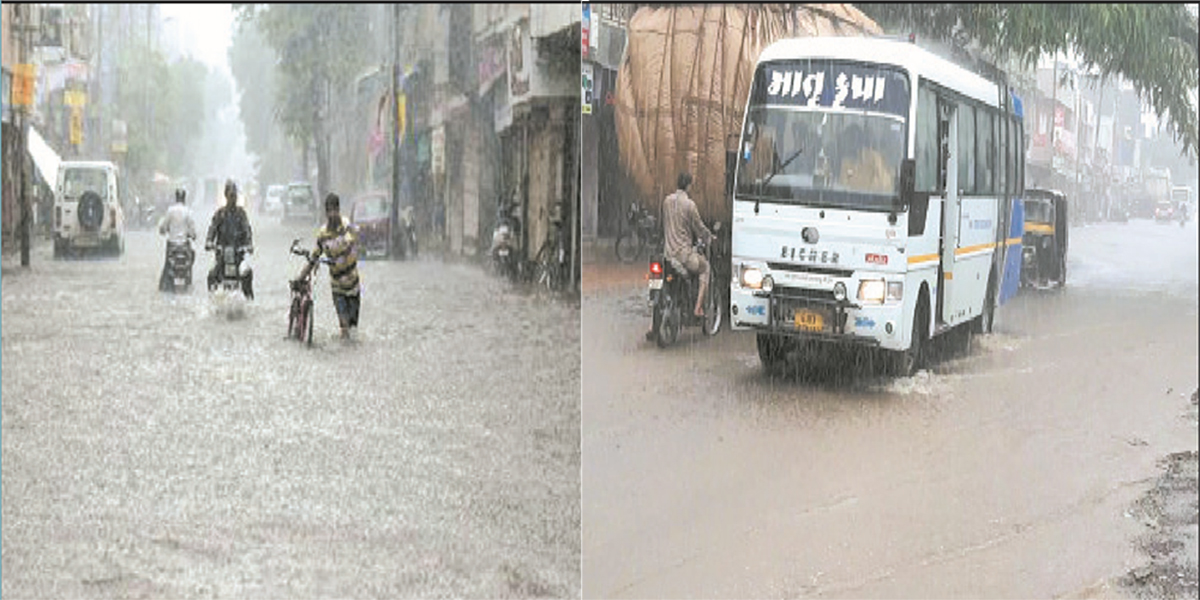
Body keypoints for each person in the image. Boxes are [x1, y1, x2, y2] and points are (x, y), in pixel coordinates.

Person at [297, 193, 361, 339]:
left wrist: (349, 249)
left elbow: (356, 239)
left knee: (353, 328)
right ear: (326, 213)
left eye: (335, 210)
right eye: (329, 211)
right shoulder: (323, 234)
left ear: (339, 210)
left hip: (353, 284)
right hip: (337, 286)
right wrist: (301, 276)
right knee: (344, 327)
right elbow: (314, 257)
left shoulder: (346, 225)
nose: (332, 214)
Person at [663, 171, 714, 318]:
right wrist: (709, 236)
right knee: (705, 268)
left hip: (667, 254)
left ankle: (653, 325)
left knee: (657, 285)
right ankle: (698, 308)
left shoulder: (666, 201)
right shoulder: (690, 205)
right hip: (683, 256)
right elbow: (699, 227)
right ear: (689, 185)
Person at [205, 179, 255, 299]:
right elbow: (212, 229)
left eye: (235, 195)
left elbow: (247, 230)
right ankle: (212, 302)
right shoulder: (219, 214)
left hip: (238, 257)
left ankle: (249, 302)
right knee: (212, 276)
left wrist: (249, 245)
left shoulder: (241, 214)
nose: (233, 198)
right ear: (226, 195)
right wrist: (209, 242)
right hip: (221, 258)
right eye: (231, 195)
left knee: (247, 274)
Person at [158, 188, 197, 291]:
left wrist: (163, 230)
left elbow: (163, 227)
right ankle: (189, 282)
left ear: (176, 198)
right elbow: (193, 230)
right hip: (184, 245)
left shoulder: (170, 210)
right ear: (184, 198)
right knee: (190, 262)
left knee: (167, 266)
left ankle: (164, 287)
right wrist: (193, 235)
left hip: (172, 245)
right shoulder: (188, 211)